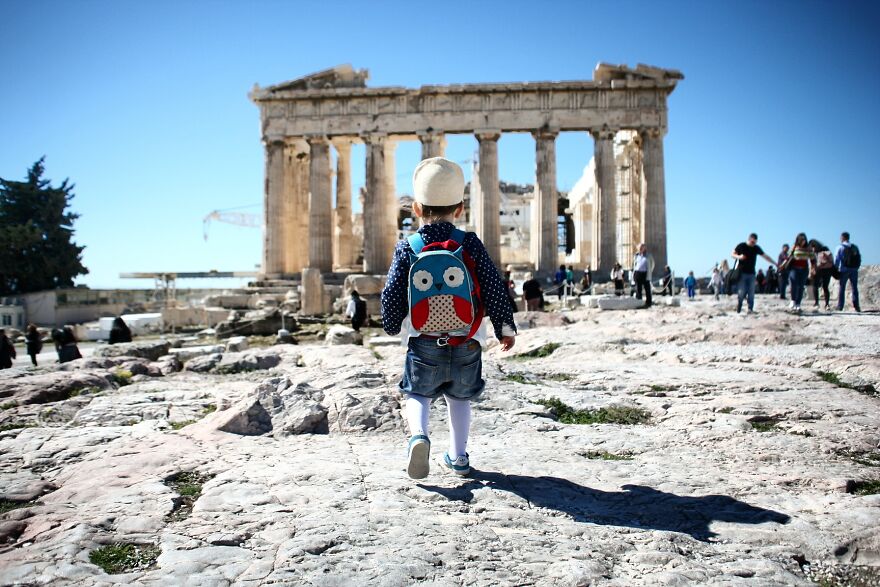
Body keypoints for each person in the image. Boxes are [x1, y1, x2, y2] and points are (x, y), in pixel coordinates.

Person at [380, 157, 516, 479]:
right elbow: (493, 286)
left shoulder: (408, 246)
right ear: (460, 209)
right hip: (468, 340)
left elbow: (392, 292)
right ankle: (458, 457)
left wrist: (392, 324)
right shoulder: (469, 243)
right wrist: (504, 327)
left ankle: (418, 436)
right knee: (459, 398)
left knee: (417, 393)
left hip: (423, 341)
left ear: (416, 209)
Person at [732, 233, 778, 314]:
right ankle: (739, 304)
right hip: (741, 273)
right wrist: (739, 257)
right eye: (752, 242)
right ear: (749, 239)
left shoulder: (756, 248)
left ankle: (750, 309)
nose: (753, 243)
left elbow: (765, 256)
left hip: (752, 273)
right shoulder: (741, 245)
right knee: (741, 291)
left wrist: (775, 263)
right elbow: (732, 254)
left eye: (755, 242)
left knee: (751, 292)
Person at [783, 232, 813, 312]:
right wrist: (782, 265)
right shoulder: (794, 247)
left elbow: (812, 258)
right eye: (802, 240)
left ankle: (798, 304)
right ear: (798, 240)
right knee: (794, 284)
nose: (803, 241)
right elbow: (788, 257)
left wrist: (813, 268)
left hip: (804, 269)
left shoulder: (808, 248)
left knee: (801, 286)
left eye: (804, 240)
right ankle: (793, 301)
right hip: (794, 269)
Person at [835, 231, 861, 312]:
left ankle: (840, 306)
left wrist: (835, 269)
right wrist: (856, 267)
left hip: (844, 269)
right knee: (854, 287)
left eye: (840, 237)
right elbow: (859, 258)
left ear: (843, 238)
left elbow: (837, 259)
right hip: (854, 269)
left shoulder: (840, 247)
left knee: (842, 287)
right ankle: (856, 306)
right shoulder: (855, 247)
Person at [809, 239, 834, 311]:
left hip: (822, 270)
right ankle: (821, 303)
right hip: (824, 270)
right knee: (819, 286)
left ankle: (822, 303)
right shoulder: (824, 249)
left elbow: (813, 262)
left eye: (812, 247)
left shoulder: (822, 250)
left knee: (820, 286)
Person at [632, 243, 654, 308]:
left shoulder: (649, 255)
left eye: (642, 247)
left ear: (645, 248)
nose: (640, 248)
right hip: (637, 273)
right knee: (638, 289)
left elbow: (652, 264)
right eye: (639, 247)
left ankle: (648, 302)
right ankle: (639, 302)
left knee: (647, 288)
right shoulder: (636, 256)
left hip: (645, 273)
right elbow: (634, 264)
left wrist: (649, 271)